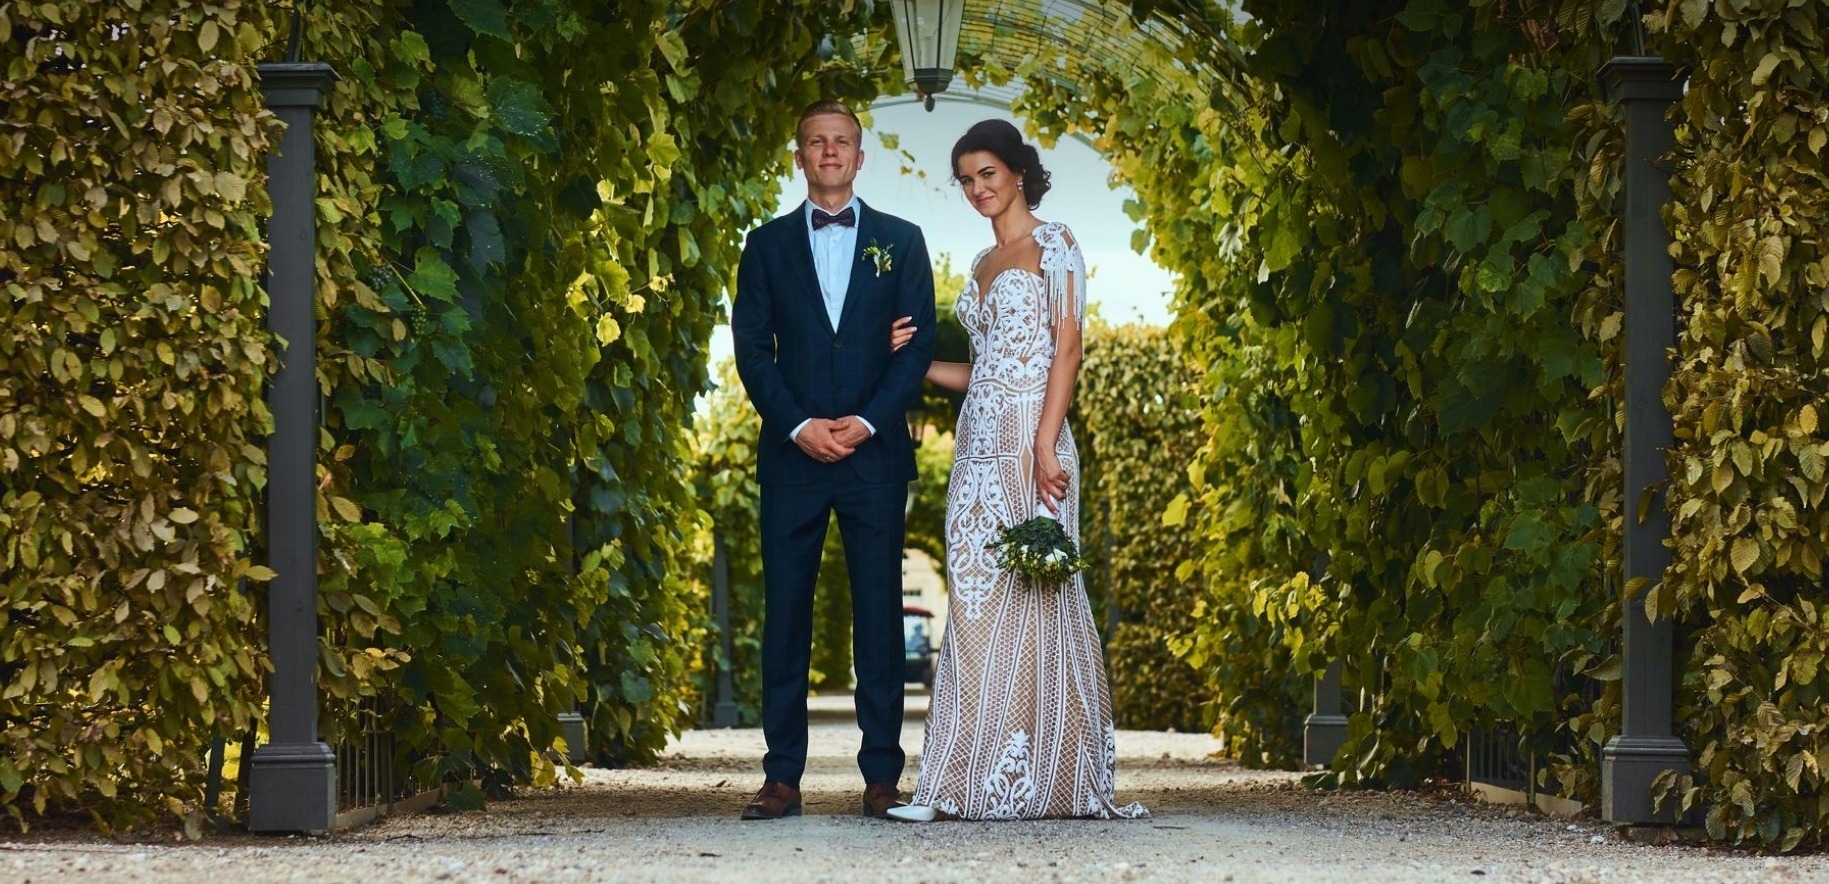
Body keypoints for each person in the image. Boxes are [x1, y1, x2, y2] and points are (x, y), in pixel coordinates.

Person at [884, 119, 1148, 821]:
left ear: (1018, 172)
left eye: (988, 174)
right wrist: (908, 360)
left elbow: (1067, 349)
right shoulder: (980, 263)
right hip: (977, 446)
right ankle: (951, 785)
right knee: (973, 605)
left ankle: (1057, 779)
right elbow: (981, 371)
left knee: (1042, 598)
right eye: (966, 180)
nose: (977, 189)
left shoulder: (1056, 243)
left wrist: (1045, 445)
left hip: (1034, 441)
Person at [730, 99, 938, 821]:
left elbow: (917, 345)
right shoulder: (764, 246)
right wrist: (796, 426)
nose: (829, 151)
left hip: (873, 459)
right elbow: (752, 349)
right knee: (785, 615)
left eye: (841, 141)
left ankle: (882, 777)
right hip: (792, 459)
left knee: (879, 616)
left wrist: (868, 422)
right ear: (799, 158)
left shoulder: (902, 241)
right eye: (816, 142)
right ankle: (781, 778)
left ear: (858, 156)